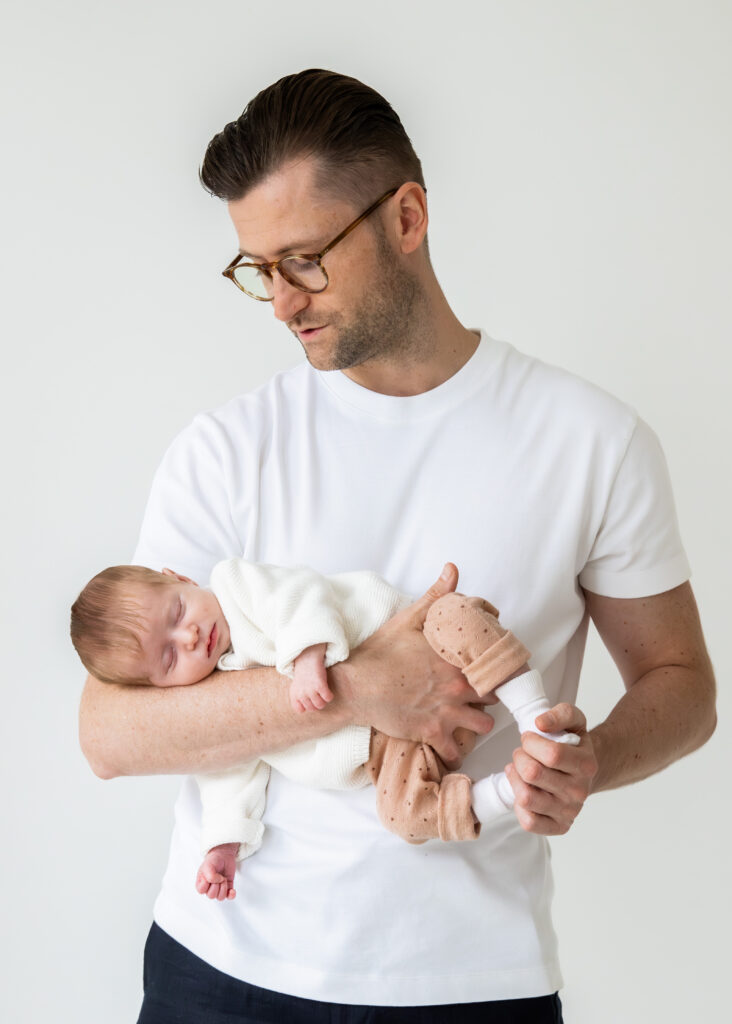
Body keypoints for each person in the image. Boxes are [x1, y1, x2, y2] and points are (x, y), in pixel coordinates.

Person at [78, 69, 716, 1023]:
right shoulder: (227, 448)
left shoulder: (592, 441)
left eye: (304, 260)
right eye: (257, 268)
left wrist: (593, 761)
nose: (281, 302)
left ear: (406, 218)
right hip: (216, 972)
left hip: (474, 985)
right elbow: (110, 734)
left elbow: (682, 683)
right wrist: (359, 688)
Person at [71, 560, 578, 901]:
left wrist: (310, 655)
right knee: (403, 814)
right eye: (167, 658)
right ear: (157, 687)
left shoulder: (235, 586)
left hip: (424, 638)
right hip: (392, 747)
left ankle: (537, 720)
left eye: (178, 612)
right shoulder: (208, 696)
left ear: (178, 577)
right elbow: (225, 776)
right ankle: (511, 790)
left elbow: (299, 594)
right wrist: (223, 844)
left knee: (456, 616)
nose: (188, 638)